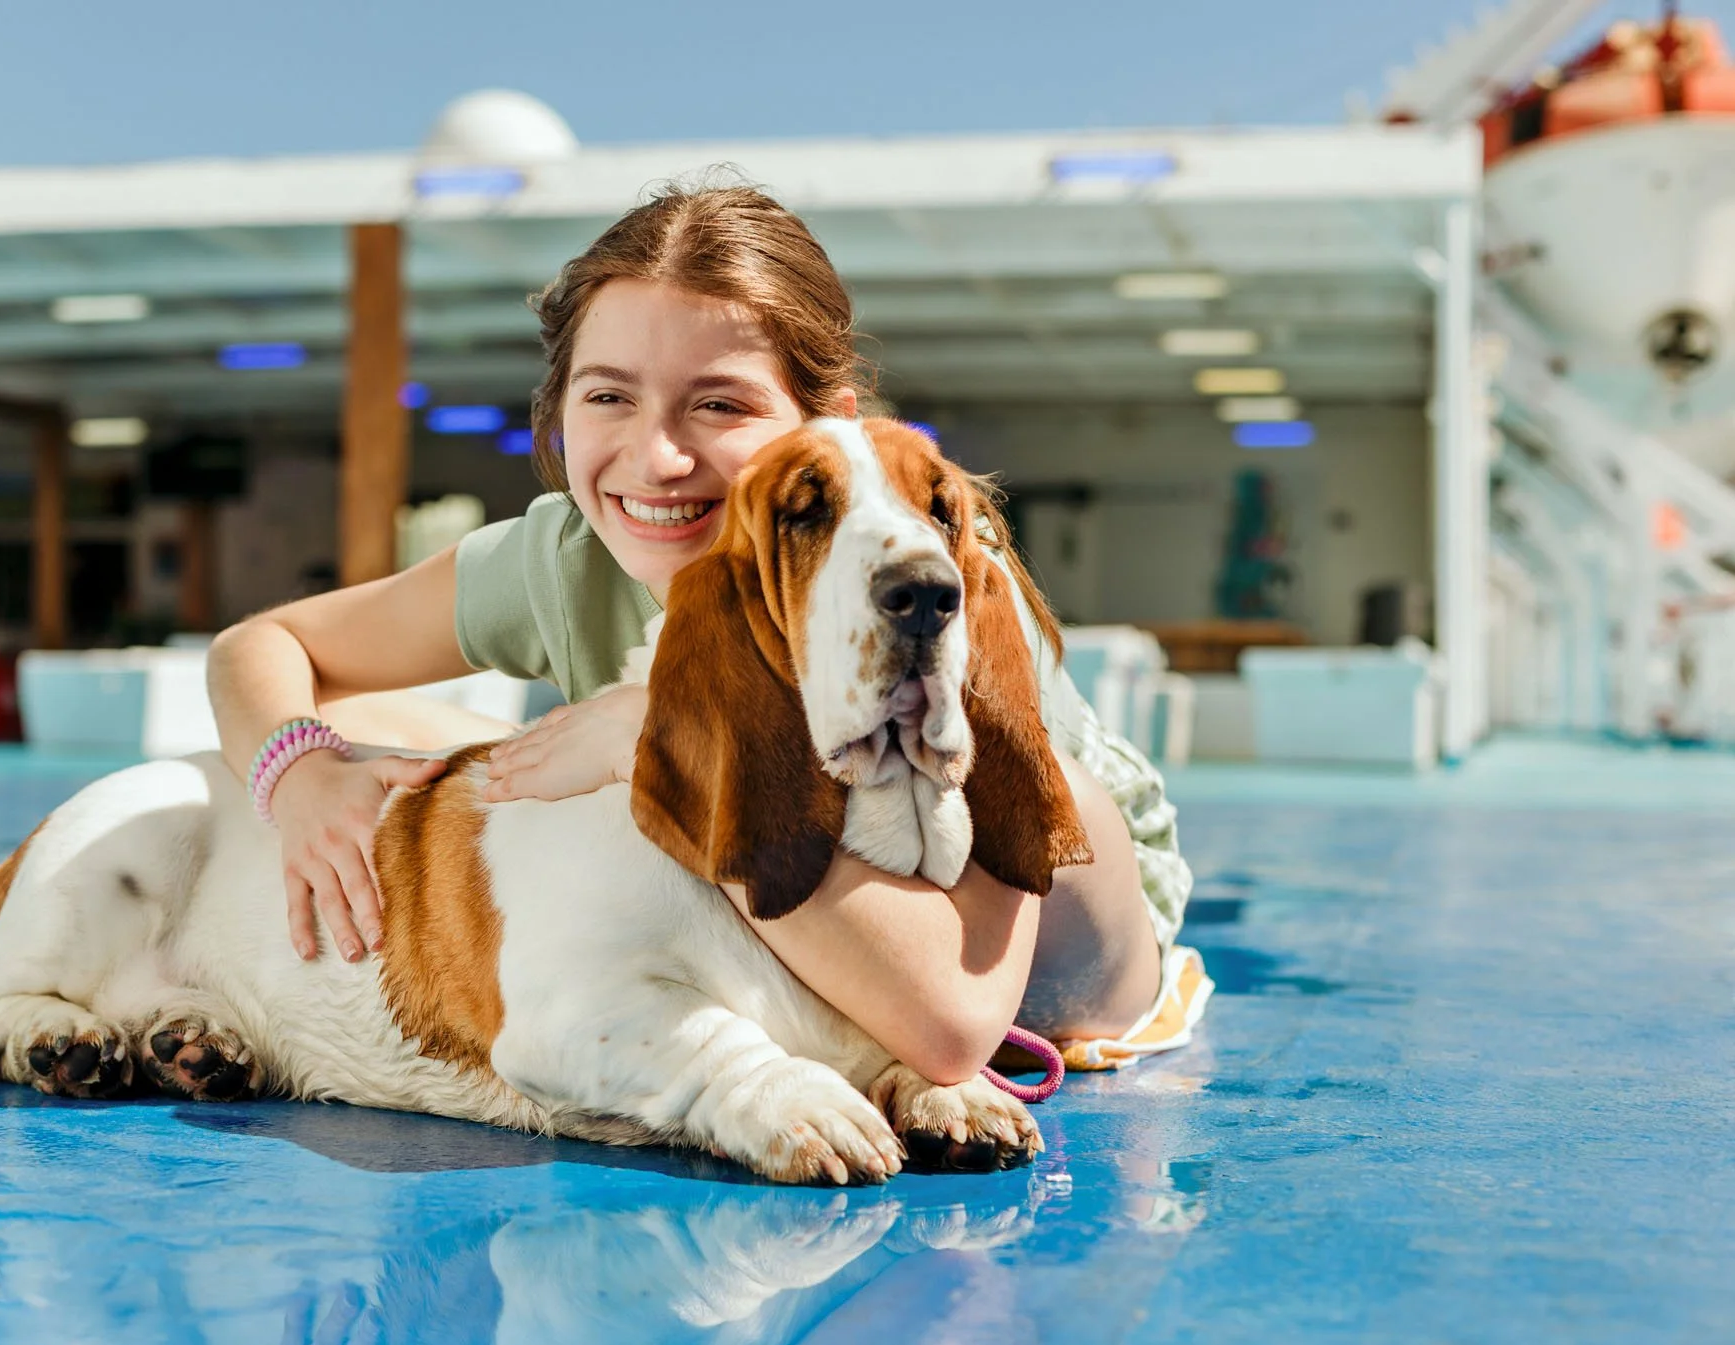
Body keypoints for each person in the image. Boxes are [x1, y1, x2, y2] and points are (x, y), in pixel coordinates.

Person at [207, 182, 1201, 1088]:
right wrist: (300, 779)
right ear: (560, 410)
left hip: (1044, 905)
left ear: (830, 427)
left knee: (1043, 838)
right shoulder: (567, 554)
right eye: (608, 395)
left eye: (720, 403)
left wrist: (656, 742)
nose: (658, 456)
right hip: (784, 828)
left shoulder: (929, 585)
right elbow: (264, 646)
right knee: (365, 719)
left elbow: (949, 1026)